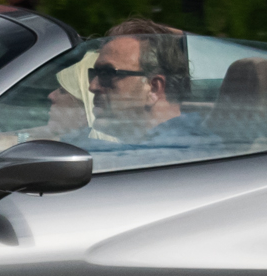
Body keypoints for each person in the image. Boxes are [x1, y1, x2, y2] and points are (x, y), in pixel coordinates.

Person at [82, 18, 218, 167]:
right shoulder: (172, 148)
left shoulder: (171, 159)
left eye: (107, 74)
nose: (93, 86)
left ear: (153, 88)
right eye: (93, 74)